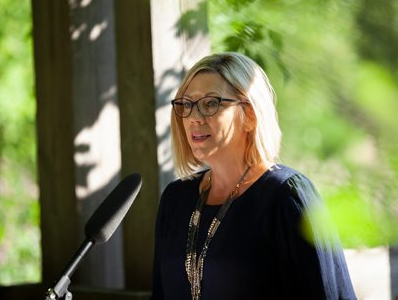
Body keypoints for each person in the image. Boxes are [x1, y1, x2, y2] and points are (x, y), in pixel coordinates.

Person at [150, 52, 357, 299]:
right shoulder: (176, 199)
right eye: (187, 104)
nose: (194, 117)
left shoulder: (286, 196)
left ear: (249, 115)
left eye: (211, 103)